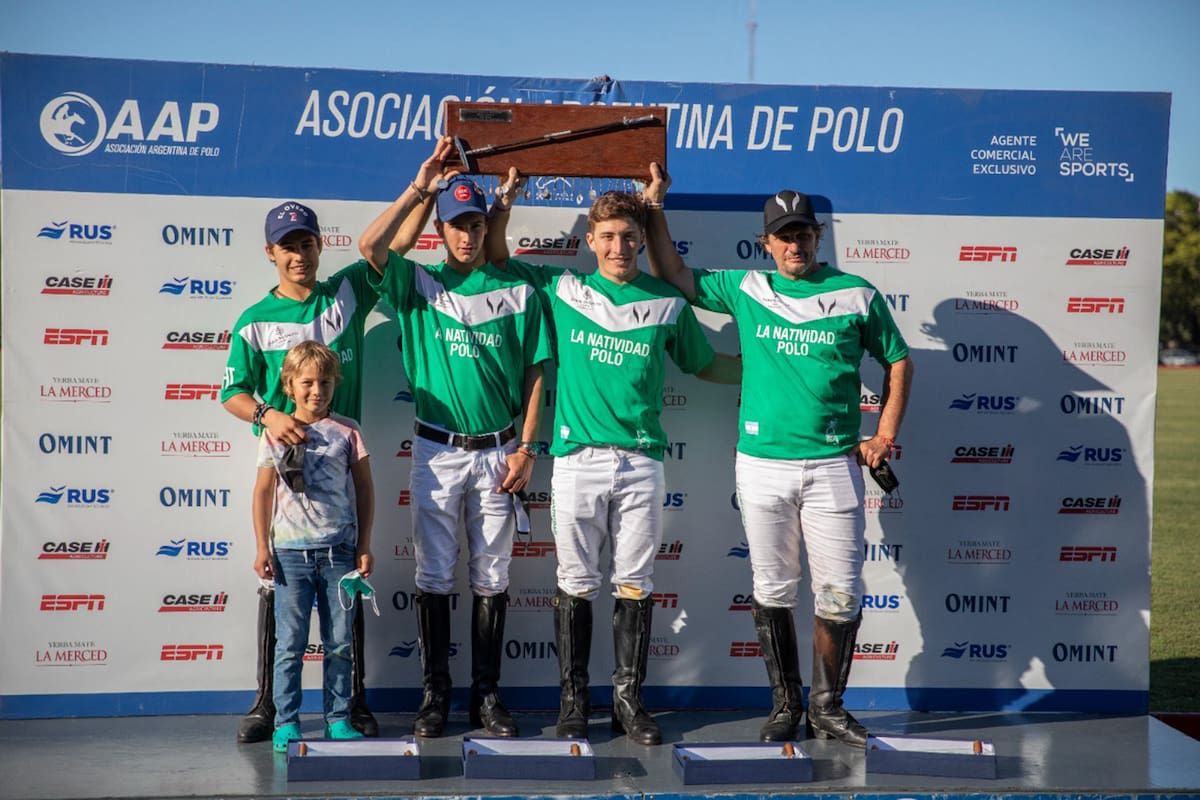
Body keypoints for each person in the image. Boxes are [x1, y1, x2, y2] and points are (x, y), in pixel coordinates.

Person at [643, 167, 913, 748]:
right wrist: (654, 209)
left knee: (840, 592)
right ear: (766, 242)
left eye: (804, 234)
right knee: (772, 589)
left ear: (819, 237)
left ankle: (827, 707)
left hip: (833, 464)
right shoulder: (747, 288)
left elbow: (898, 359)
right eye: (783, 236)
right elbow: (673, 274)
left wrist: (883, 436)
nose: (795, 245)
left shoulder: (857, 293)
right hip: (761, 465)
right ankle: (786, 705)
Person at [483, 169, 742, 745]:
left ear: (641, 239)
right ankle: (574, 704)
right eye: (609, 237)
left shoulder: (668, 300)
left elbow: (706, 365)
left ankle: (628, 702)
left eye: (630, 236)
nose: (620, 247)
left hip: (642, 462)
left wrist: (777, 374)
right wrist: (504, 200)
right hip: (577, 460)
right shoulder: (563, 289)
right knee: (575, 581)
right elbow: (497, 257)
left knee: (635, 582)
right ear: (590, 242)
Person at [357, 137, 552, 739]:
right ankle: (435, 695)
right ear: (438, 231)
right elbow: (371, 246)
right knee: (434, 577)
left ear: (485, 224)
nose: (466, 235)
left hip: (499, 451)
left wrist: (527, 447)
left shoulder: (519, 287)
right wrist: (423, 189)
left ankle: (486, 697)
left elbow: (537, 373)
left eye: (474, 223)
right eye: (455, 225)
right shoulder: (415, 284)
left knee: (492, 577)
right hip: (438, 452)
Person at [222, 198, 424, 742]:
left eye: (306, 243)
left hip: (339, 474)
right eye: (287, 247)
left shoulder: (347, 290)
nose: (298, 255)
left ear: (319, 245)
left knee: (341, 619)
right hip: (286, 485)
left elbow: (389, 248)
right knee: (284, 614)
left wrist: (422, 191)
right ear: (271, 253)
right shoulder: (252, 320)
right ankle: (271, 707)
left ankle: (347, 706)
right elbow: (231, 393)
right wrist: (269, 416)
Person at [250, 341, 375, 753]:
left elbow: (365, 488)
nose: (316, 391)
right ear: (289, 385)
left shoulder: (348, 430)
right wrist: (261, 547)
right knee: (290, 645)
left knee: (340, 642)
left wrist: (364, 543)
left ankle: (338, 718)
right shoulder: (275, 432)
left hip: (340, 554)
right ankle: (286, 722)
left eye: (324, 382)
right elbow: (264, 490)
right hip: (290, 556)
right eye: (306, 383)